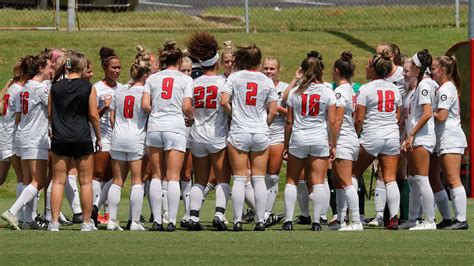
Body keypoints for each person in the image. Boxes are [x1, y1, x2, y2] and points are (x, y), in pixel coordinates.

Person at [220, 44, 277, 231]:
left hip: (239, 131)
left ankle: (237, 220)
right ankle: (260, 220)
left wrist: (233, 114)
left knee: (238, 178)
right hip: (260, 132)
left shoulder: (235, 77)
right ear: (259, 62)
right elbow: (273, 111)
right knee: (259, 179)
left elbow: (223, 101)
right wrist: (264, 124)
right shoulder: (267, 80)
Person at [142, 40, 194, 232]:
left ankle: (157, 220)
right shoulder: (186, 79)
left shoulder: (152, 79)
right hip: (175, 127)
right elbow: (187, 107)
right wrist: (192, 118)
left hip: (155, 127)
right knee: (173, 176)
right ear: (179, 61)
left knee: (156, 175)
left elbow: (146, 106)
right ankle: (171, 220)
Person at [282, 55, 337, 231]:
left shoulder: (295, 92)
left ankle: (288, 221)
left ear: (303, 71)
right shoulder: (328, 91)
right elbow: (332, 122)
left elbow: (289, 122)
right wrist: (333, 144)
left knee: (292, 180)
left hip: (299, 138)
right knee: (319, 181)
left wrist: (286, 144)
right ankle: (316, 221)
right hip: (319, 138)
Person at [48, 51, 101, 232]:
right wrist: (99, 137)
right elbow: (93, 115)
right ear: (82, 67)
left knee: (58, 181)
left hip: (60, 136)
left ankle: (54, 222)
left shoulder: (55, 87)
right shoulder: (88, 87)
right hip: (81, 136)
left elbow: (49, 113)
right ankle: (86, 222)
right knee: (85, 181)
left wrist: (54, 129)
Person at [185, 32, 231, 231]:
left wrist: (193, 118)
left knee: (200, 180)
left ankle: (193, 217)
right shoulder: (223, 82)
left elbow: (186, 106)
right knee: (222, 178)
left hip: (197, 135)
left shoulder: (193, 82)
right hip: (217, 134)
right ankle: (219, 214)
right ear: (217, 63)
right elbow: (227, 103)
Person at [352, 49, 402, 230]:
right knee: (390, 178)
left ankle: (354, 217)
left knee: (352, 174)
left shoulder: (366, 89)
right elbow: (397, 115)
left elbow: (359, 118)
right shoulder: (395, 88)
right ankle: (394, 218)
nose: (365, 68)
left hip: (372, 135)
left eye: (367, 65)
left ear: (374, 69)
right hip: (391, 135)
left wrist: (354, 134)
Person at [2, 54, 53, 230]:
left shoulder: (23, 88)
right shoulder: (40, 88)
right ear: (40, 69)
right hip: (35, 138)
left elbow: (17, 117)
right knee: (38, 181)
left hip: (22, 136)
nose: (51, 70)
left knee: (27, 180)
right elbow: (52, 109)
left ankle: (27, 220)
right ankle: (13, 211)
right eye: (49, 67)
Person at [106, 51, 151, 231]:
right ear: (145, 75)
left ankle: (112, 220)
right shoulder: (146, 92)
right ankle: (135, 222)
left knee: (117, 181)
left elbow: (112, 117)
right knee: (137, 181)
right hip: (136, 137)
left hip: (118, 137)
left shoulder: (120, 90)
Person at [399, 50, 438, 230]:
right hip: (415, 137)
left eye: (410, 67)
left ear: (417, 68)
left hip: (422, 137)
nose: (407, 71)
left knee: (422, 179)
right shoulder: (419, 86)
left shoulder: (424, 86)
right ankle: (413, 219)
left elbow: (427, 114)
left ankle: (429, 220)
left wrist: (412, 134)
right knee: (414, 180)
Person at [430, 55, 468, 230]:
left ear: (443, 70)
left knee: (452, 178)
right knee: (435, 177)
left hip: (450, 136)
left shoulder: (446, 88)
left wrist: (426, 110)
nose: (431, 71)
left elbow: (442, 116)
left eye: (434, 68)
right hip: (442, 137)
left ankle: (461, 219)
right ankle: (446, 218)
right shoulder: (442, 88)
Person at [330, 51, 362, 231]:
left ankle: (356, 220)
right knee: (339, 182)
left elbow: (337, 119)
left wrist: (333, 143)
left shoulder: (340, 91)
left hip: (343, 139)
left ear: (336, 71)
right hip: (350, 137)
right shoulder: (351, 89)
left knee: (346, 180)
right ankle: (341, 219)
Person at [91, 47, 122, 226]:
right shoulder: (97, 88)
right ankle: (92, 211)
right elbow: (91, 115)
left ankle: (107, 212)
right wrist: (104, 107)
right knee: (99, 174)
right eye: (113, 68)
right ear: (105, 68)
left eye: (119, 68)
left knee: (113, 176)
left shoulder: (123, 88)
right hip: (101, 137)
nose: (117, 71)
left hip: (118, 137)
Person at [261, 56, 287, 227]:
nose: (269, 72)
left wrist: (275, 107)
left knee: (272, 176)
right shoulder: (258, 84)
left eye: (272, 69)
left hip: (277, 134)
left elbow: (290, 114)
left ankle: (266, 214)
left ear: (278, 70)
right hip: (259, 133)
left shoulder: (285, 88)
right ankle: (256, 210)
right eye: (266, 68)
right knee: (253, 176)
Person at [0, 60, 25, 223]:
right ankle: (20, 216)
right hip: (10, 136)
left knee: (2, 178)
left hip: (4, 134)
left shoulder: (11, 87)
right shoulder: (19, 90)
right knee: (23, 177)